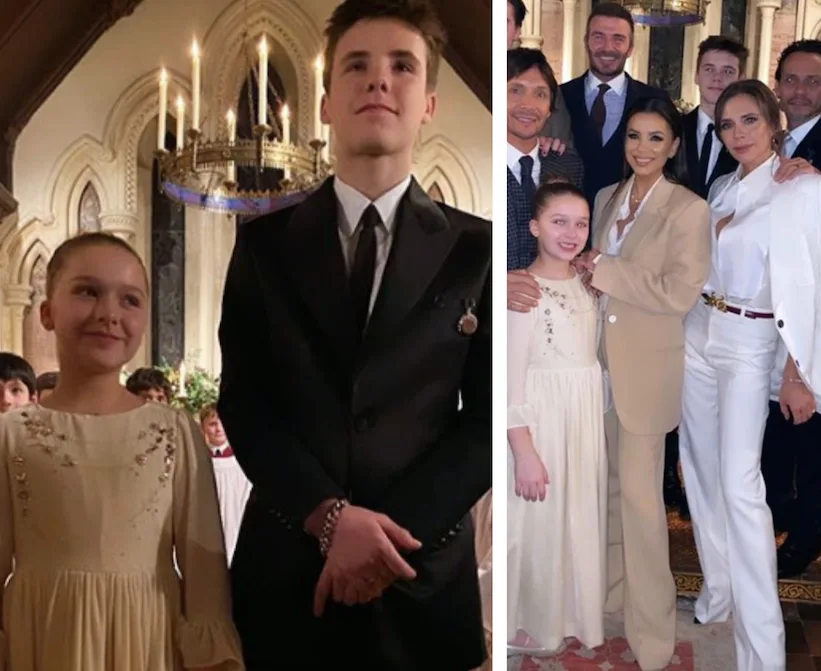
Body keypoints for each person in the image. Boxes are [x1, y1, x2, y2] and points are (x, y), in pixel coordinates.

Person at [217, 1, 491, 669]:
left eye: (401, 66)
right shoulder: (263, 244)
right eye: (357, 66)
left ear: (427, 101)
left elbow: (483, 421)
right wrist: (330, 519)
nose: (378, 81)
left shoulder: (474, 248)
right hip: (291, 560)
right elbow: (247, 403)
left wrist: (384, 541)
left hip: (418, 568)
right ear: (327, 101)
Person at [0, 232, 243, 671]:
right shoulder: (11, 435)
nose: (109, 314)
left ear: (146, 317)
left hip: (147, 640)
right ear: (47, 311)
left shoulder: (176, 434)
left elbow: (206, 584)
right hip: (43, 636)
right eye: (87, 291)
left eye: (130, 300)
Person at [678, 79, 821, 671]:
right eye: (727, 125)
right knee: (701, 473)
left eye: (748, 122)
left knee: (740, 486)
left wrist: (799, 371)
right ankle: (719, 593)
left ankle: (762, 649)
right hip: (697, 335)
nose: (737, 134)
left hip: (752, 342)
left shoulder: (803, 188)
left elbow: (815, 287)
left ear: (773, 121)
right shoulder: (720, 186)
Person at [574, 96, 711, 670]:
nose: (643, 148)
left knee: (640, 503)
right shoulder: (606, 197)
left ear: (674, 146)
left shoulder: (689, 210)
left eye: (657, 138)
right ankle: (610, 604)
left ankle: (653, 638)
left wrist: (602, 269)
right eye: (635, 135)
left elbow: (678, 293)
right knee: (605, 495)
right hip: (596, 366)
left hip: (646, 373)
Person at [507, 181, 606, 656]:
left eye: (580, 223)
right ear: (534, 226)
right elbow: (508, 381)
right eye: (558, 221)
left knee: (574, 520)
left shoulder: (586, 282)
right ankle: (532, 619)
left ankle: (569, 611)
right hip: (542, 425)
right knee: (540, 527)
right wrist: (524, 452)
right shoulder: (523, 291)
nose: (571, 233)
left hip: (581, 422)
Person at [666, 35, 747, 520]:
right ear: (696, 74)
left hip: (722, 288)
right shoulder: (669, 129)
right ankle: (672, 482)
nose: (717, 79)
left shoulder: (747, 138)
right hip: (670, 277)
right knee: (671, 384)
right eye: (710, 69)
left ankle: (716, 490)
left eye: (728, 71)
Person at [763, 39, 821, 578]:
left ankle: (807, 536)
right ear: (777, 85)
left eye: (813, 81)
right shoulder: (771, 143)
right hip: (771, 322)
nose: (801, 90)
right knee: (785, 436)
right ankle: (789, 519)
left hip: (810, 325)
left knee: (814, 443)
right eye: (793, 80)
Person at [560, 3, 668, 209]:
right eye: (599, 37)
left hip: (631, 222)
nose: (608, 47)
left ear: (630, 48)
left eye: (618, 39)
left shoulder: (655, 100)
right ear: (586, 42)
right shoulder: (559, 97)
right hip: (568, 225)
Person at [507, 47, 585, 271]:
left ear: (550, 109)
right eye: (515, 90)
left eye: (540, 94)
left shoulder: (567, 164)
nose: (528, 105)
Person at [507, 0, 573, 144]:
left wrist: (550, 149)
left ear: (517, 30)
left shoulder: (543, 82)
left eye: (504, 22)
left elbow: (560, 140)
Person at [199, 403, 251, 566]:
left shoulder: (242, 461)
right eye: (213, 424)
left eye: (222, 423)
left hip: (236, 522)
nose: (219, 428)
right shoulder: (199, 462)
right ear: (203, 427)